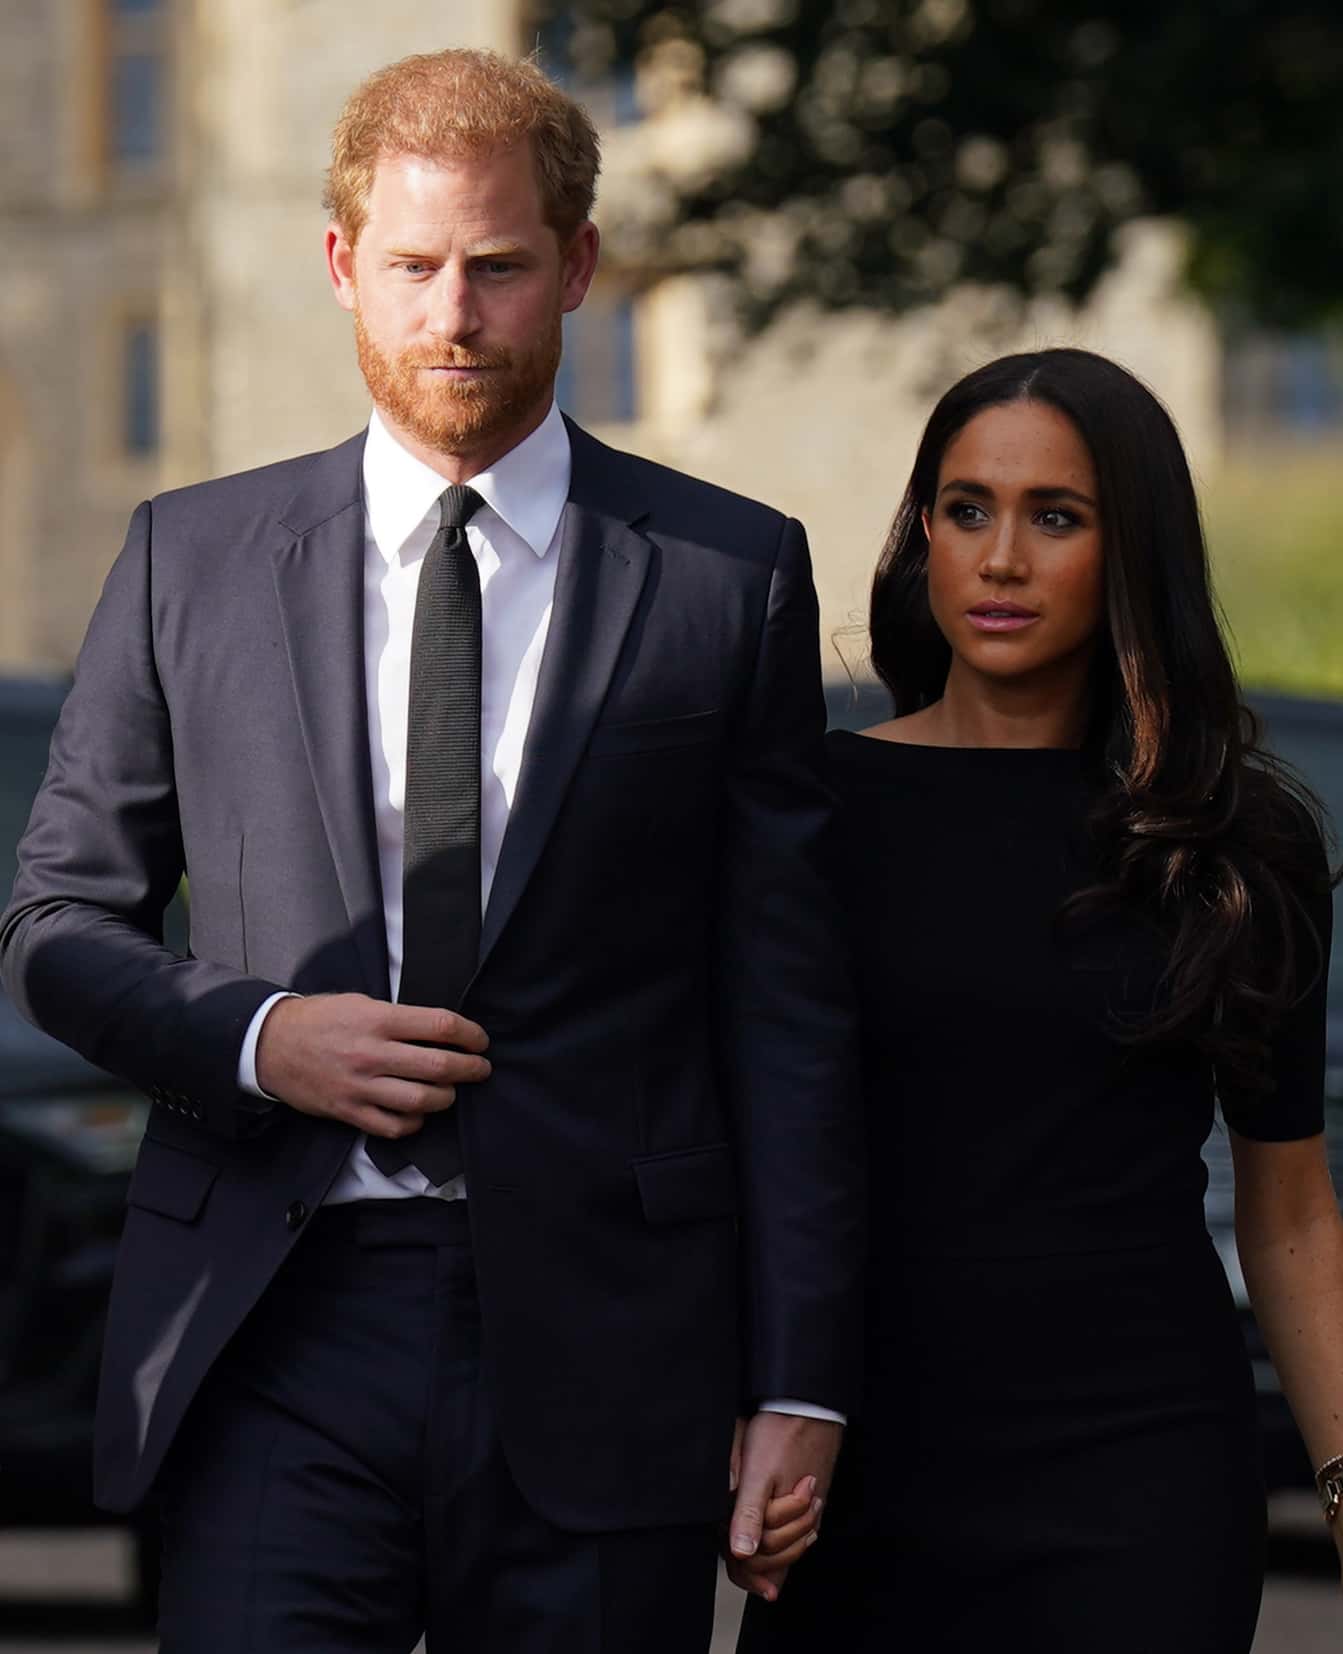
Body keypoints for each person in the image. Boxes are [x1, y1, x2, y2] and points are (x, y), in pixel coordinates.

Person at [0, 49, 862, 1652]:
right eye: (410, 266)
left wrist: (799, 1377)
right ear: (343, 266)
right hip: (271, 1323)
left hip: (614, 1336)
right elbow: (55, 921)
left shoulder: (727, 578)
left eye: (498, 266)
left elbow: (789, 1012)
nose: (453, 314)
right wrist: (263, 1037)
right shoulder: (190, 560)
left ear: (580, 267)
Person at [736, 348, 1343, 1651]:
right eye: (967, 509)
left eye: (1054, 517)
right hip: (863, 1467)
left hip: (1141, 1475)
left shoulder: (1234, 842)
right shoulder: (810, 816)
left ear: (1131, 553)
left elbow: (1290, 1217)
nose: (1000, 558)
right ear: (923, 537)